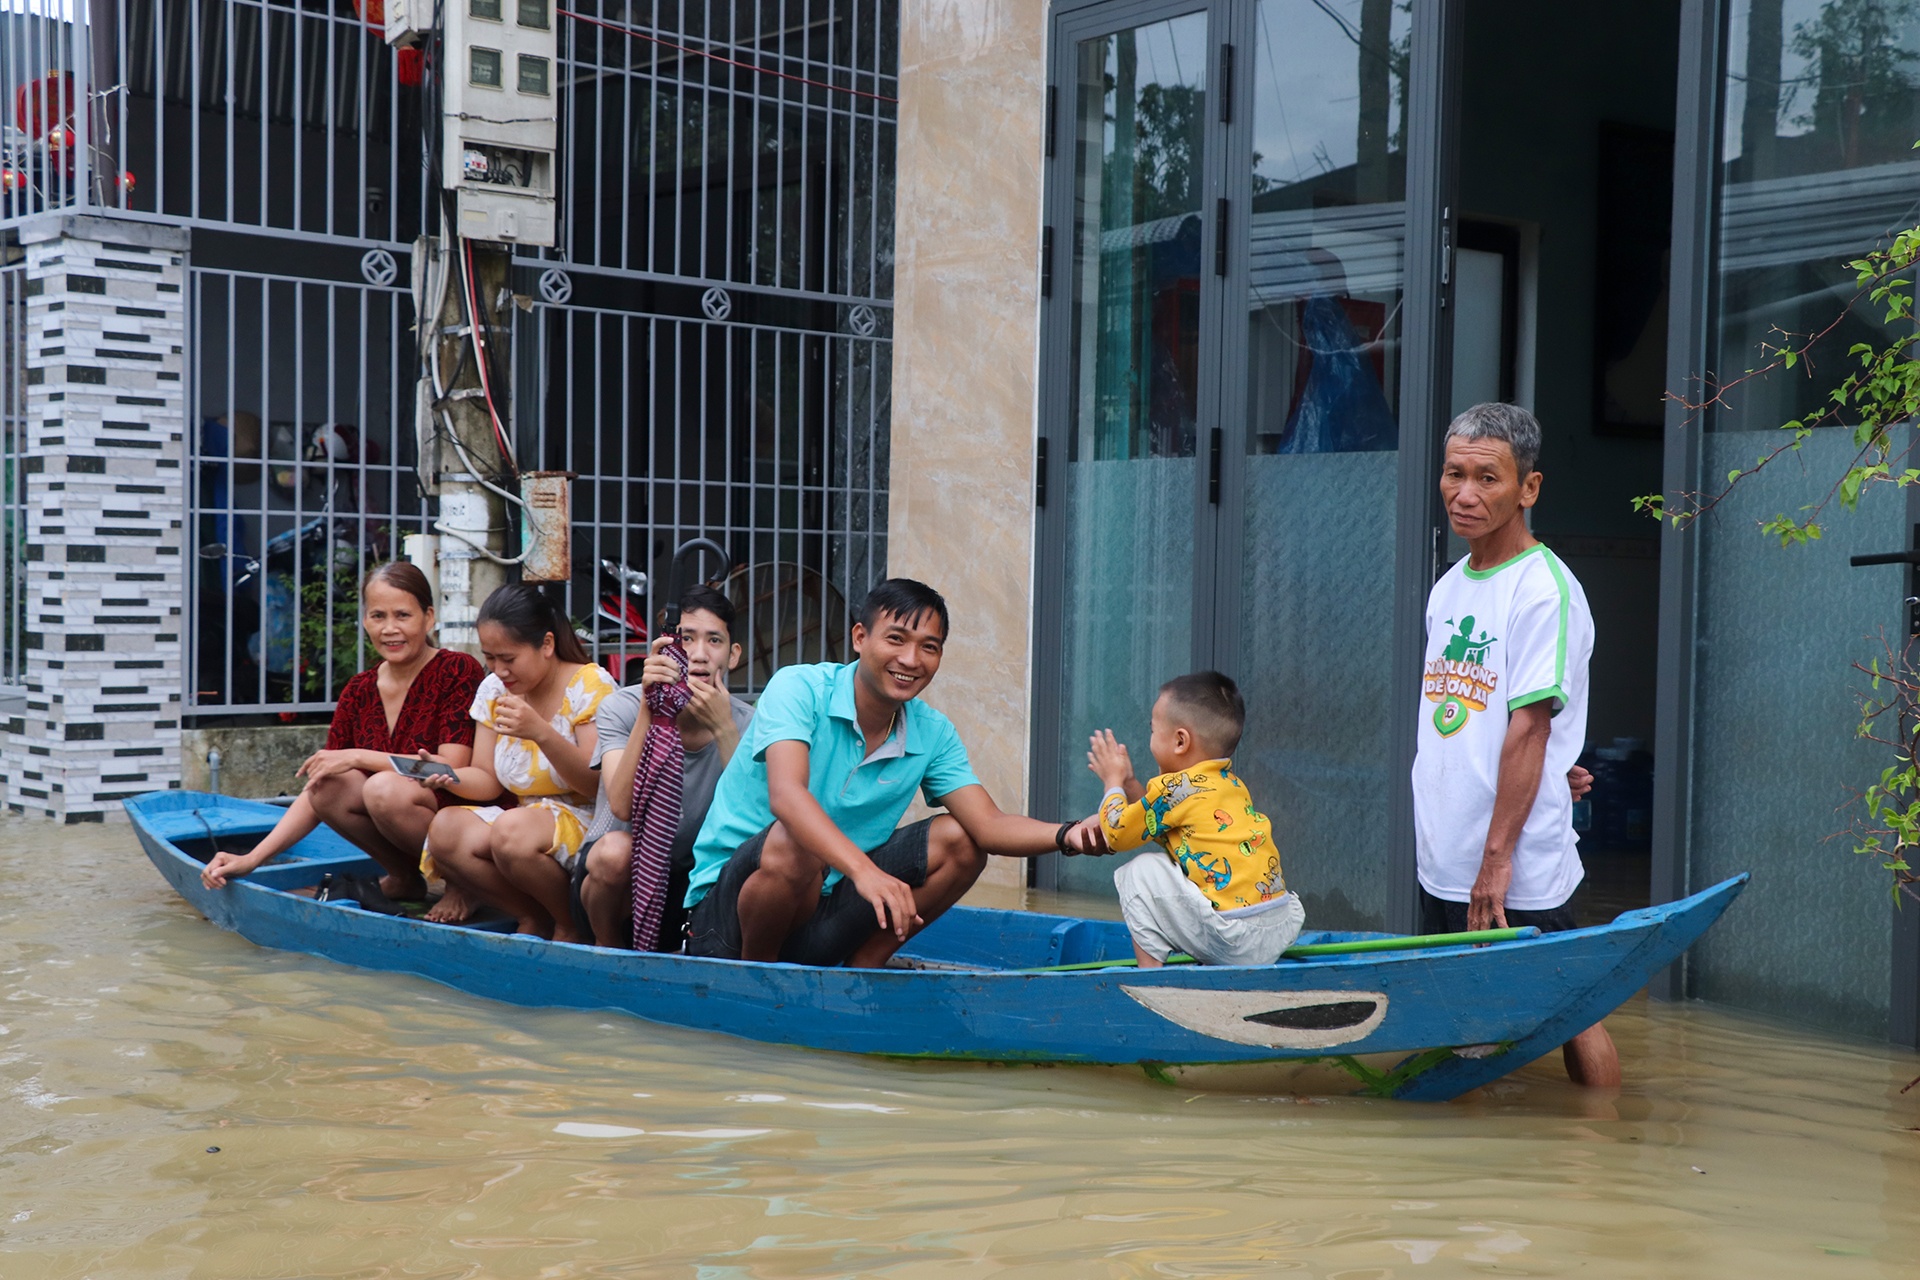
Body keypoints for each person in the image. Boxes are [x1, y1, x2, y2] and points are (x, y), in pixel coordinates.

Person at [683, 578, 1106, 967]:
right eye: (896, 639)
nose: (911, 660)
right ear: (860, 638)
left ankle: (863, 970)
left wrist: (1068, 835)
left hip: (823, 905)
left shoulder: (932, 730)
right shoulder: (799, 688)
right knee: (797, 839)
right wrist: (866, 873)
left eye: (929, 646)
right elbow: (787, 797)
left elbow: (989, 825)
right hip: (725, 920)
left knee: (963, 841)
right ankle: (755, 979)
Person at [1414, 401, 1620, 1087]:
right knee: (1455, 1018)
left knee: (1574, 1009)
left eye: (1487, 478)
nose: (1465, 494)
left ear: (1528, 488)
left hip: (1513, 861)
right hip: (1446, 850)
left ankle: (1602, 1147)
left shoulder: (1545, 592)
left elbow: (1531, 726)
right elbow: (1473, 721)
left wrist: (1496, 861)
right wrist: (1558, 771)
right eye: (1453, 474)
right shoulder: (1448, 589)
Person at [200, 562, 486, 901]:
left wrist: (359, 756)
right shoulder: (359, 690)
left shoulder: (456, 670)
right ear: (364, 621)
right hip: (397, 815)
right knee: (329, 786)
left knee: (384, 789)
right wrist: (252, 860)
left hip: (456, 818)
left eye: (403, 615)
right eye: (378, 616)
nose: (390, 629)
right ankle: (403, 876)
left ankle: (462, 883)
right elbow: (318, 788)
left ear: (428, 618)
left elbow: (449, 768)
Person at [416, 583, 617, 940]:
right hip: (525, 819)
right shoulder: (495, 689)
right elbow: (487, 779)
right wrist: (447, 776)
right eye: (490, 658)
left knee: (512, 831)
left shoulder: (589, 683)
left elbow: (596, 783)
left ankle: (570, 924)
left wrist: (541, 733)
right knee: (445, 828)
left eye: (508, 659)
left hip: (586, 819)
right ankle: (533, 914)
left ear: (547, 645)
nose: (498, 670)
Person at [1087, 672, 1305, 968]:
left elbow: (1117, 833)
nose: (1149, 738)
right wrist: (1129, 783)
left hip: (1235, 938)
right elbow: (1154, 823)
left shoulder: (1175, 790)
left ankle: (1150, 978)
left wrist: (1112, 781)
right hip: (1278, 929)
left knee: (1139, 872)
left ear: (1180, 741)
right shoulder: (1231, 785)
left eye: (1152, 729)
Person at [579, 585, 755, 950]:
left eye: (715, 641)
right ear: (666, 649)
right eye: (686, 639)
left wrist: (723, 730)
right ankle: (606, 949)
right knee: (615, 853)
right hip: (615, 879)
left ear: (733, 655)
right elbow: (622, 806)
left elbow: (754, 818)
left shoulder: (751, 723)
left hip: (696, 878)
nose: (699, 655)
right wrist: (650, 707)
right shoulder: (621, 707)